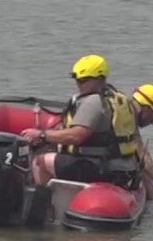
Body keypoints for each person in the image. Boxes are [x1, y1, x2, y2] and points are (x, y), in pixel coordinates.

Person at [20, 54, 143, 188]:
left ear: (100, 79)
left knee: (40, 161)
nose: (79, 84)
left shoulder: (93, 102)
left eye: (84, 80)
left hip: (102, 168)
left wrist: (42, 134)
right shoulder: (121, 99)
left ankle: (42, 206)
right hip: (124, 169)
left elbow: (76, 136)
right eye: (77, 80)